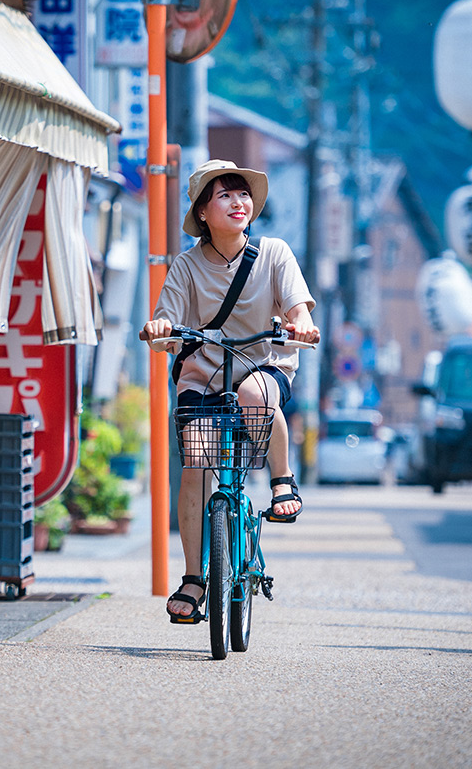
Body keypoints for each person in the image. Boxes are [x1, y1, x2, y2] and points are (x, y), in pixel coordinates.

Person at [142, 159, 320, 622]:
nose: (237, 202)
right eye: (223, 195)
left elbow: (298, 306)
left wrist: (301, 323)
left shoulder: (274, 252)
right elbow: (166, 322)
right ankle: (193, 578)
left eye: (242, 193)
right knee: (197, 464)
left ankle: (282, 481)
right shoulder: (186, 265)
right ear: (203, 211)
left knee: (256, 396)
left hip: (263, 362)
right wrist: (161, 327)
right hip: (202, 373)